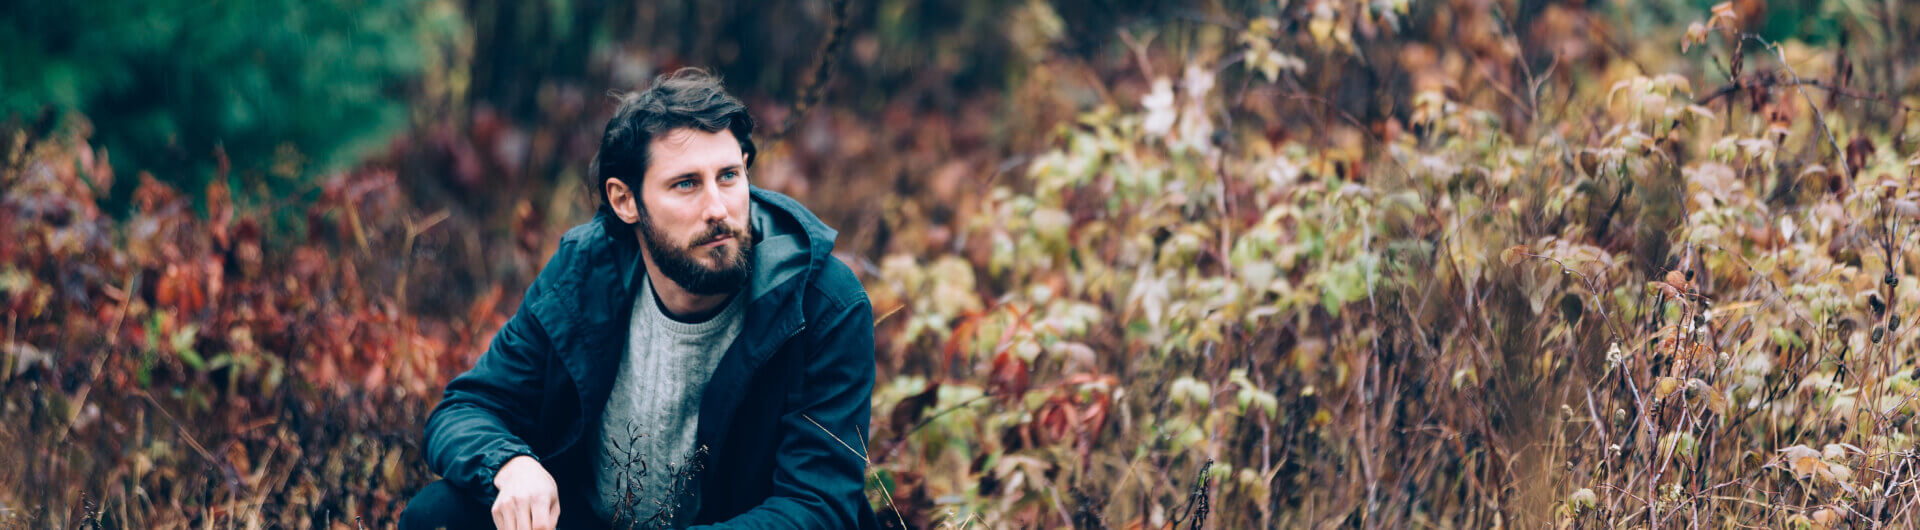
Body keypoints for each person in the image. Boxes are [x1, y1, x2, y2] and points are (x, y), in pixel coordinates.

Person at [401, 68, 880, 530]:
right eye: (686, 184)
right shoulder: (585, 273)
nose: (718, 209)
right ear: (625, 201)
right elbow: (465, 409)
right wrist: (511, 465)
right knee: (438, 515)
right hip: (592, 518)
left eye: (729, 176)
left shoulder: (821, 304)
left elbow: (817, 509)